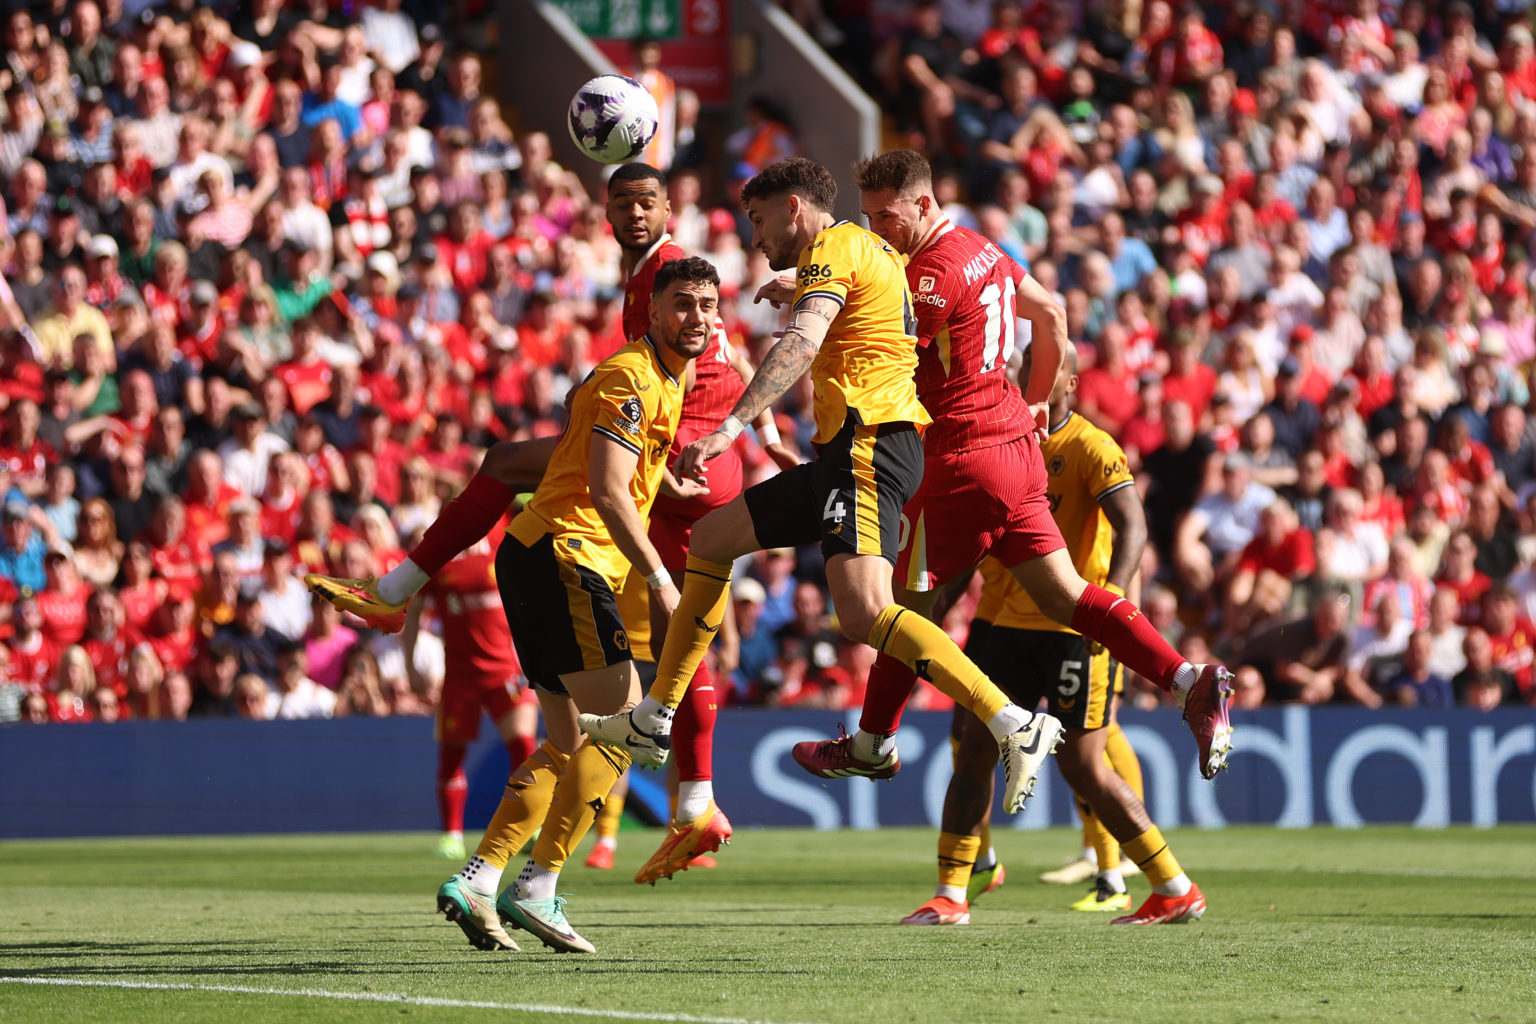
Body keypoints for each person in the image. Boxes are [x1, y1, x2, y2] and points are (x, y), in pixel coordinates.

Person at [307, 163, 794, 886]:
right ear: (603, 212)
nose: (634, 214)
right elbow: (731, 353)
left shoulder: (664, 279)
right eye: (622, 203)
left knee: (507, 463)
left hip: (684, 458)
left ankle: (396, 590)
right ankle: (690, 804)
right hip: (696, 456)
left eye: (647, 203)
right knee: (674, 640)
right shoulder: (666, 289)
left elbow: (704, 359)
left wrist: (736, 427)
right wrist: (767, 424)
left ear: (668, 208)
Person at [725, 152, 1232, 796]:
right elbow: (1051, 317)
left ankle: (875, 741)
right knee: (1062, 594)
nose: (879, 231)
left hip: (961, 459)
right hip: (1016, 449)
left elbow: (884, 341)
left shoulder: (928, 275)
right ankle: (1190, 681)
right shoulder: (983, 250)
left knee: (901, 606)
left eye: (889, 216)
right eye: (870, 217)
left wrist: (804, 300)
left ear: (925, 205)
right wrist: (1041, 397)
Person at [579, 157, 1066, 823]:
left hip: (868, 447)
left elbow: (803, 343)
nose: (755, 237)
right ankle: (656, 715)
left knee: (866, 613)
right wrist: (802, 292)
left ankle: (1012, 722)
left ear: (794, 210)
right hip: (853, 448)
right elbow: (861, 320)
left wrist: (731, 429)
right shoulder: (870, 248)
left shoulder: (834, 247)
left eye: (759, 220)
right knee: (713, 540)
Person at [907, 344, 1202, 927]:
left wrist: (1113, 602)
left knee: (1084, 766)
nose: (1027, 383)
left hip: (1073, 626)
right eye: (1021, 373)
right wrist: (939, 604)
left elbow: (1134, 525)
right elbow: (977, 531)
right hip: (999, 620)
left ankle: (1172, 885)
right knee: (973, 746)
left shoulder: (1090, 446)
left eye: (1041, 373)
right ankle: (952, 893)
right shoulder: (1004, 440)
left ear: (1069, 379)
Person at [401, 524, 534, 862]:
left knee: (522, 746)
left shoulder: (502, 543)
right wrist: (411, 665)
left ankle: (525, 826)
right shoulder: (440, 556)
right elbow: (413, 611)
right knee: (451, 755)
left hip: (506, 668)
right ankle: (451, 835)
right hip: (460, 673)